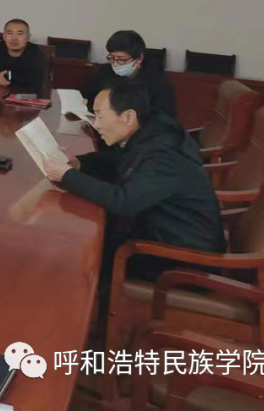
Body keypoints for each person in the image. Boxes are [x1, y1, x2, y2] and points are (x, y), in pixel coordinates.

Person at [44, 79, 225, 282]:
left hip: (185, 261)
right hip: (162, 233)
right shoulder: (150, 131)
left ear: (128, 116)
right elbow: (119, 161)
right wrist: (79, 164)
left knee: (81, 254)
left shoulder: (164, 155)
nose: (96, 124)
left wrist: (68, 176)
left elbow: (124, 202)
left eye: (100, 116)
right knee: (81, 237)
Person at [81, 29, 177, 119]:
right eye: (112, 58)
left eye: (121, 59)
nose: (115, 64)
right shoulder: (105, 71)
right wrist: (85, 102)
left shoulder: (158, 82)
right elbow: (88, 94)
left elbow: (164, 118)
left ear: (139, 58)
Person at [0, 19, 46, 90]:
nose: (14, 38)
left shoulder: (35, 54)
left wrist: (6, 78)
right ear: (4, 36)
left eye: (20, 34)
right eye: (10, 33)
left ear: (28, 38)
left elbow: (35, 82)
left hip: (23, 95)